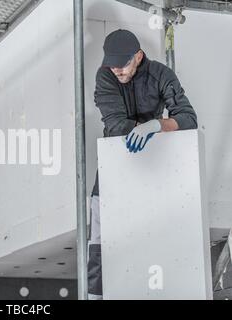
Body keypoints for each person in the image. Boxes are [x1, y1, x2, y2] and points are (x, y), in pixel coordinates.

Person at [88, 29, 198, 300]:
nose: (117, 70)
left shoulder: (161, 75)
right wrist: (152, 128)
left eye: (122, 64)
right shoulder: (105, 75)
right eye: (112, 64)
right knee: (101, 235)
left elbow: (188, 118)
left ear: (138, 56)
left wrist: (156, 125)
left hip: (156, 163)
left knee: (154, 231)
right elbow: (115, 126)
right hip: (114, 164)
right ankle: (94, 296)